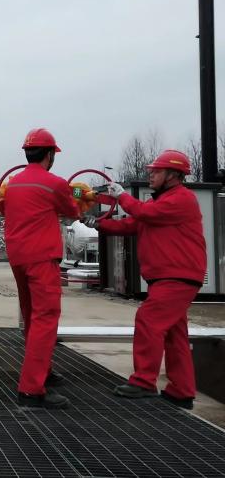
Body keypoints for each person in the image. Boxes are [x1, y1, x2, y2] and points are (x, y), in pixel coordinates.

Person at [83, 149, 206, 409]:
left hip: (176, 276)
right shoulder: (159, 202)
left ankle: (144, 381)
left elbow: (143, 214)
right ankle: (182, 391)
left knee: (148, 320)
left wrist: (121, 196)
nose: (150, 175)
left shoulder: (181, 199)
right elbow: (132, 225)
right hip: (169, 277)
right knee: (175, 334)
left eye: (156, 171)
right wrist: (96, 224)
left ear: (173, 175)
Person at [4, 128, 81, 409]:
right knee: (46, 318)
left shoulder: (12, 184)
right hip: (42, 258)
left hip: (18, 258)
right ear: (50, 154)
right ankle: (32, 389)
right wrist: (82, 197)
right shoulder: (54, 184)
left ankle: (43, 370)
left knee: (31, 316)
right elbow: (73, 211)